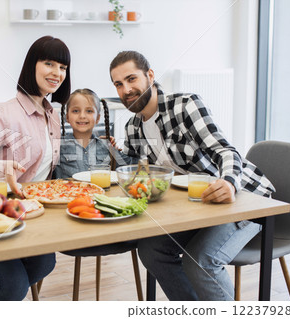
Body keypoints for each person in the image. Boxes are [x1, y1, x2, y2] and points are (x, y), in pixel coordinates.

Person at [108, 50, 275, 301]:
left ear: (150, 76)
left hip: (244, 199)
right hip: (200, 207)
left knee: (200, 261)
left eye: (132, 79)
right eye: (118, 84)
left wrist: (229, 183)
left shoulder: (185, 105)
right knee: (152, 250)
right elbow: (135, 174)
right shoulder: (132, 127)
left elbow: (224, 150)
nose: (126, 89)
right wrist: (112, 158)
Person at [0, 35, 71, 300]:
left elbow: (45, 171)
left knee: (46, 263)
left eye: (63, 67)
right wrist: (2, 168)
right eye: (49, 64)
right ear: (32, 65)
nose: (57, 73)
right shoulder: (4, 113)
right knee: (15, 285)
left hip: (24, 211)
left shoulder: (52, 115)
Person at [54, 88, 130, 179]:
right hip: (67, 192)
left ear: (97, 118)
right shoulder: (57, 146)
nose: (82, 116)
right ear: (67, 117)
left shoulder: (107, 146)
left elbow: (128, 169)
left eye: (89, 111)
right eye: (75, 111)